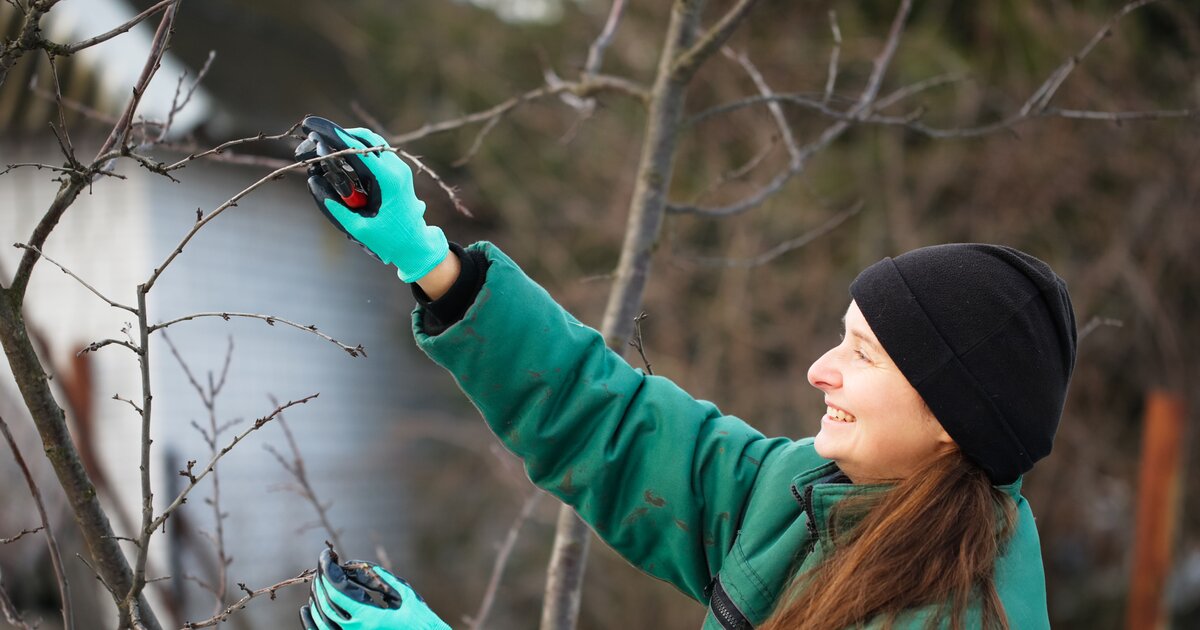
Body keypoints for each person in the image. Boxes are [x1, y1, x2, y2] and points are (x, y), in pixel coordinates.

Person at [297, 119, 1076, 630]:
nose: (819, 370)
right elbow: (614, 429)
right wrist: (430, 260)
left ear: (951, 416)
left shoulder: (958, 614)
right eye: (842, 339)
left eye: (864, 354)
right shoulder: (814, 497)